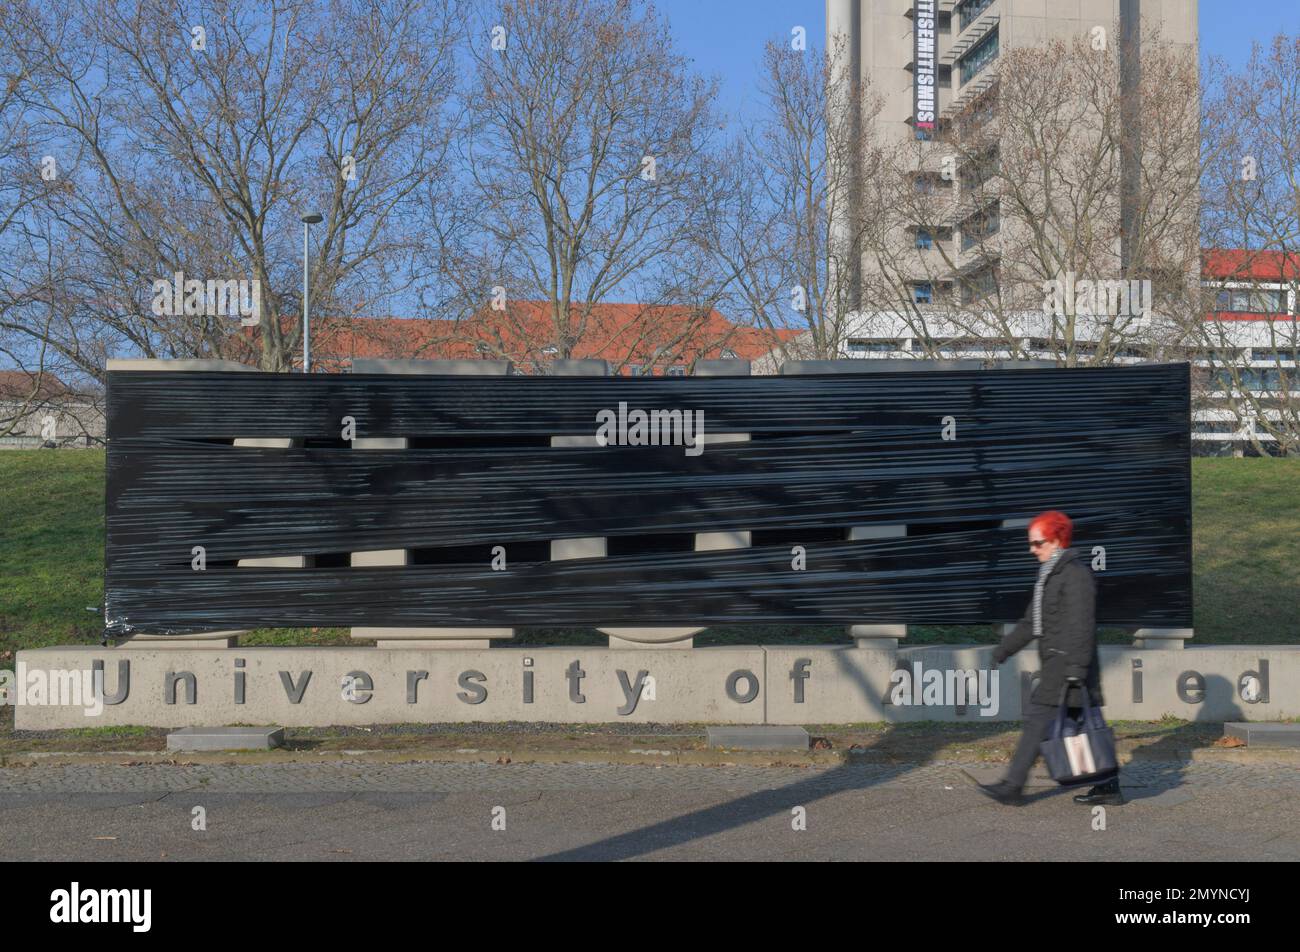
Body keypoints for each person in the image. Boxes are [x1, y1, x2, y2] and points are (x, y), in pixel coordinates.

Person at [977, 510, 1122, 807]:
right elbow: (1032, 622)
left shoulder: (1076, 574)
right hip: (1061, 666)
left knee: (1045, 722)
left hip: (1068, 668)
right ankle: (1107, 785)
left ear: (1057, 540)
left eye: (1038, 543)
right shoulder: (1049, 576)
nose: (1033, 549)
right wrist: (1003, 650)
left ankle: (1013, 786)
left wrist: (1076, 669)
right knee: (1086, 725)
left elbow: (1083, 623)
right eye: (1031, 543)